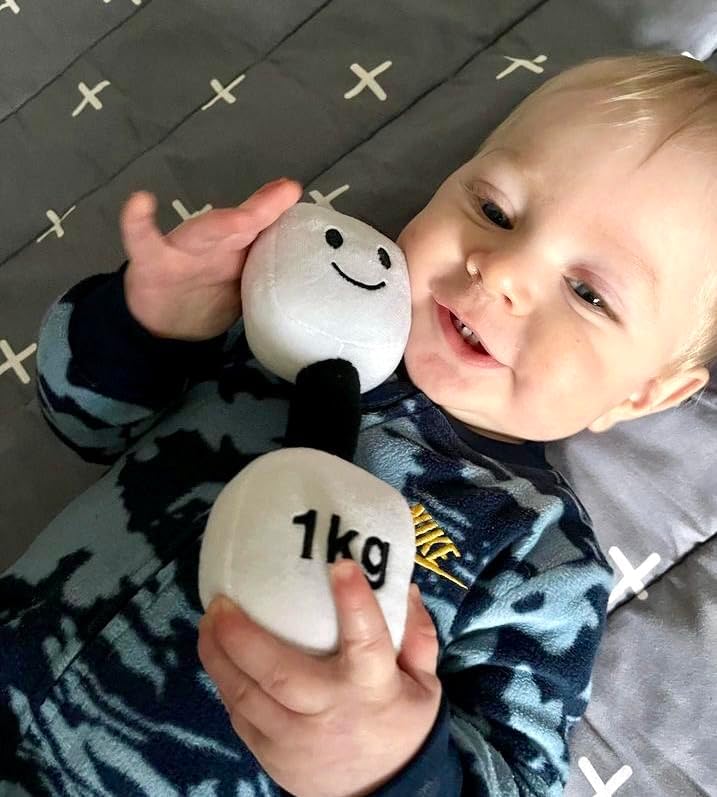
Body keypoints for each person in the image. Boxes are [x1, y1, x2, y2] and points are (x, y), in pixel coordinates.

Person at [1, 52, 715, 797]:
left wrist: (392, 764)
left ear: (645, 395)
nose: (501, 271)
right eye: (494, 211)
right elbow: (84, 422)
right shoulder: (280, 329)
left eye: (588, 293)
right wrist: (150, 321)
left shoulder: (538, 552)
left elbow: (519, 780)